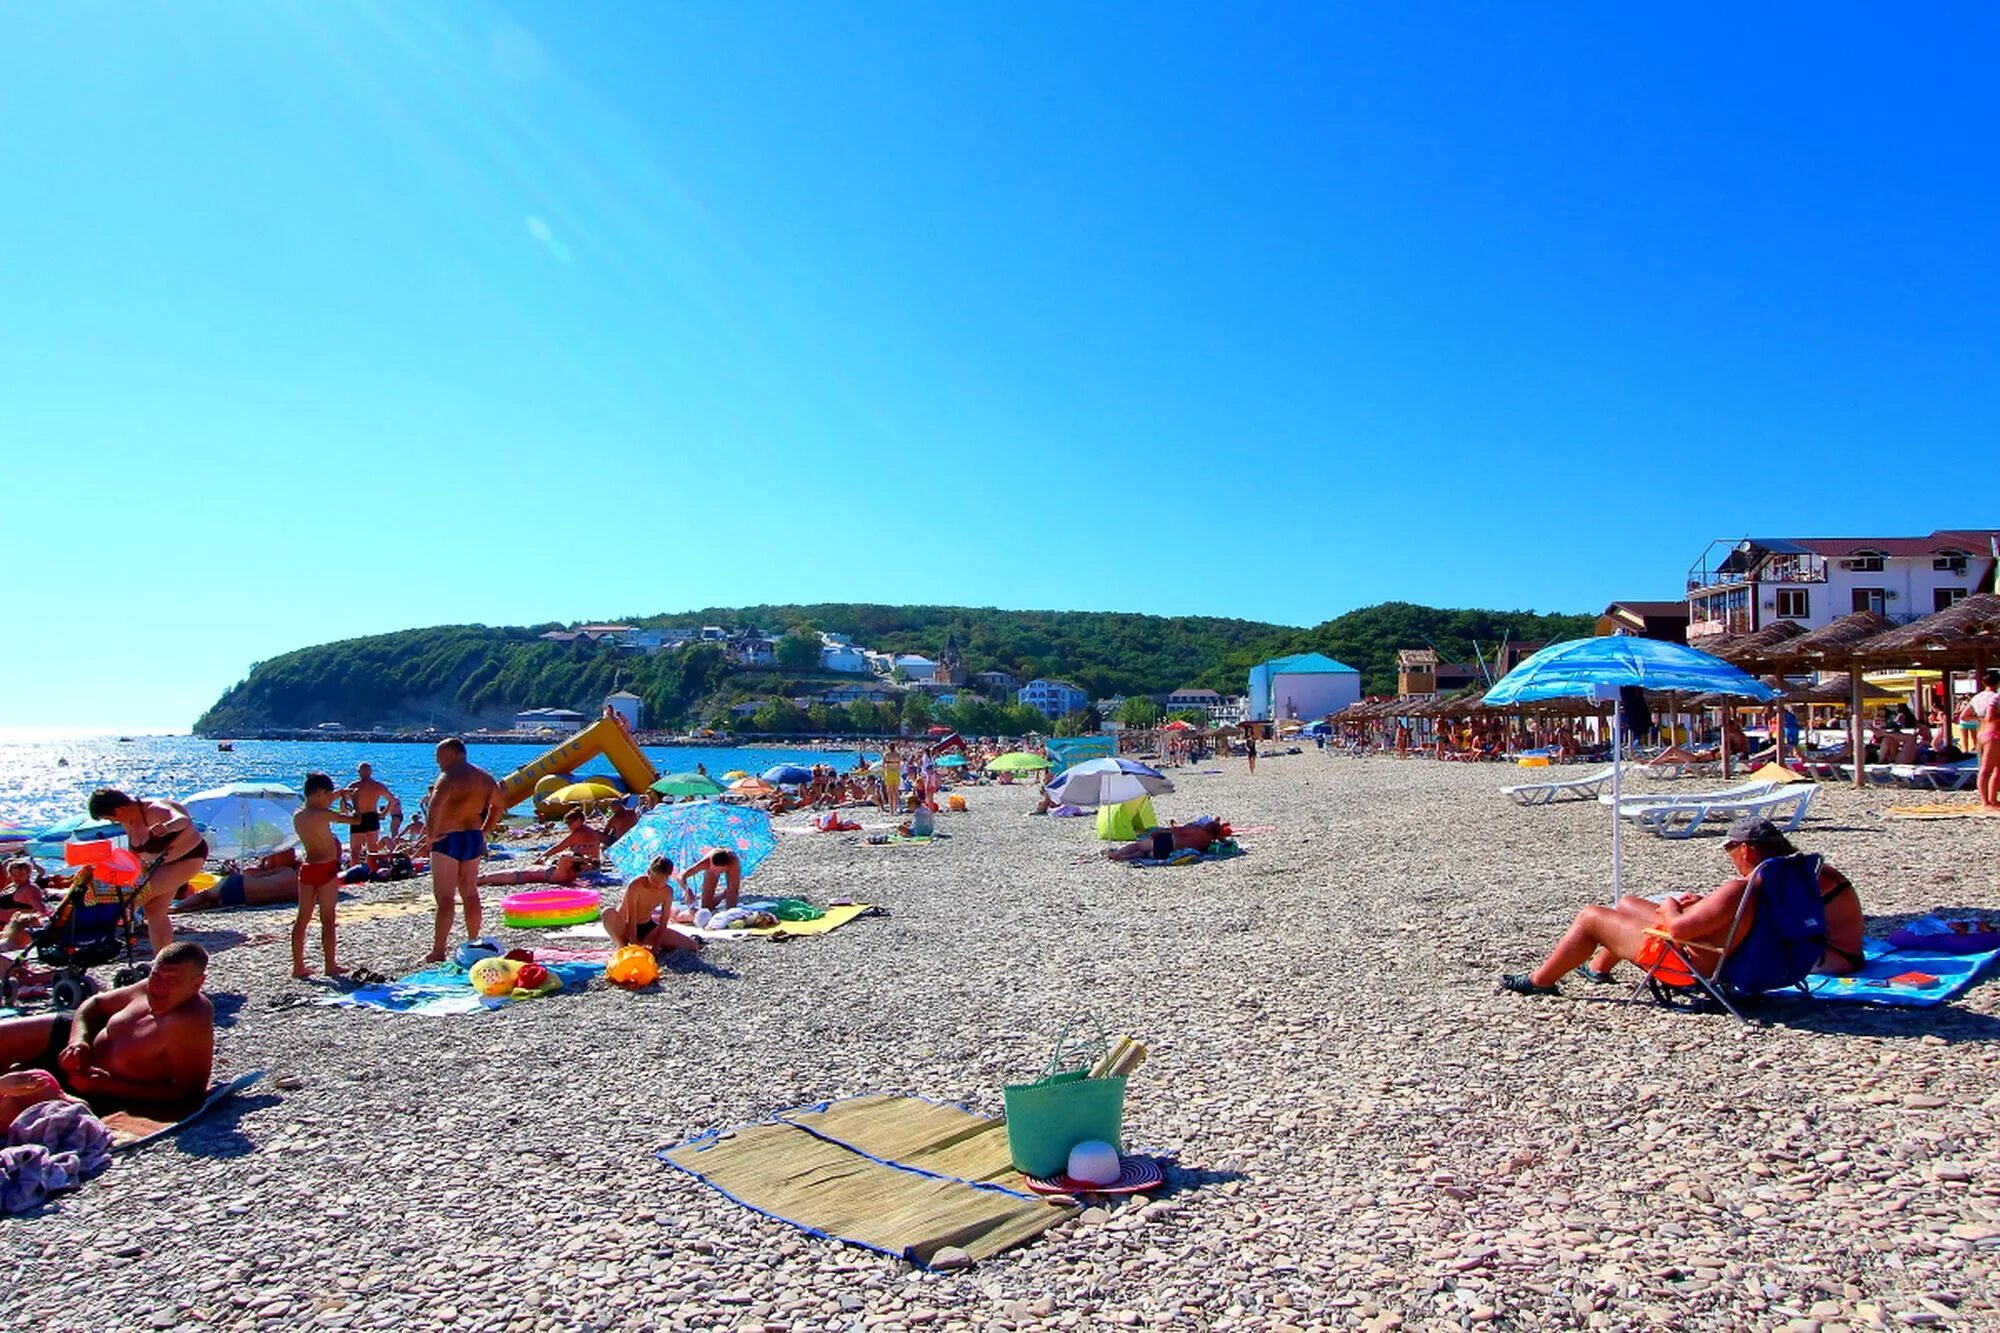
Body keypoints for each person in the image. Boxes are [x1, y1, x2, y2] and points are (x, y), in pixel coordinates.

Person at [1502, 817, 1864, 995]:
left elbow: (1677, 930)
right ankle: (1596, 970)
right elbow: (1736, 920)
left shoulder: (1740, 889)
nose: (1730, 857)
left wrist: (1672, 905)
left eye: (1730, 850)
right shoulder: (1785, 876)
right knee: (1626, 902)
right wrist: (1700, 905)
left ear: (1747, 850)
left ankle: (1540, 981)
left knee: (1591, 917)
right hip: (1759, 959)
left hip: (1693, 964)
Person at [0, 941, 214, 1109]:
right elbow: (94, 1003)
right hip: (75, 1043)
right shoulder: (146, 987)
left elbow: (189, 1092)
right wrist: (78, 1040)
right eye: (156, 977)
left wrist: (108, 1087)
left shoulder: (190, 1020)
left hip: (93, 1087)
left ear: (197, 983)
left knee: (8, 1107)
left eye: (172, 981)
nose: (158, 988)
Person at [87, 788, 206, 958]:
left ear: (119, 810)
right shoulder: (127, 821)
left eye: (110, 818)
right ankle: (163, 958)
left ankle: (102, 935)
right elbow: (134, 855)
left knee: (138, 896)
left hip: (188, 857)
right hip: (160, 865)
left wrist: (167, 827)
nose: (113, 822)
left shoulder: (156, 809)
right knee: (154, 910)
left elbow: (182, 820)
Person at [422, 738, 503, 964]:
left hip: (448, 838)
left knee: (445, 897)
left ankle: (438, 951)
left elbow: (435, 806)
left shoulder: (448, 777)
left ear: (455, 753)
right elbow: (499, 805)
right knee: (470, 892)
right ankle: (474, 942)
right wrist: (485, 830)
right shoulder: (484, 777)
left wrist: (431, 835)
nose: (437, 760)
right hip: (472, 837)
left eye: (440, 755)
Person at [291, 773, 360, 979]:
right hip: (326, 869)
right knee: (328, 919)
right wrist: (354, 799)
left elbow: (319, 804)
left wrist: (338, 793)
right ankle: (330, 965)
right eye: (329, 795)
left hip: (308, 868)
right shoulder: (324, 814)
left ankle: (298, 966)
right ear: (321, 794)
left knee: (302, 919)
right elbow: (355, 820)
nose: (331, 798)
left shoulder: (299, 816)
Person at [601, 856, 700, 954]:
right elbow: (631, 917)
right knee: (608, 912)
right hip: (625, 924)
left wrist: (656, 945)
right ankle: (622, 946)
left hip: (647, 925)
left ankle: (644, 946)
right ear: (649, 873)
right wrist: (634, 942)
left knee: (691, 946)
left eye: (662, 882)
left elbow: (663, 921)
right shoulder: (636, 885)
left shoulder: (667, 891)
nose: (657, 885)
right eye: (655, 880)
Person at [170, 861, 301, 913]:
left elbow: (252, 874)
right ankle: (186, 909)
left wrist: (262, 866)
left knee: (206, 894)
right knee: (213, 903)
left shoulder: (287, 871)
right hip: (245, 899)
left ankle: (176, 908)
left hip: (240, 884)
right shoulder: (302, 892)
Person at [340, 763, 401, 864]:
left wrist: (346, 813)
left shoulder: (354, 786)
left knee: (355, 851)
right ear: (371, 772)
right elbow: (392, 800)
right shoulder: (378, 786)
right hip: (372, 817)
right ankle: (372, 870)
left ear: (359, 773)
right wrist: (384, 813)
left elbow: (343, 802)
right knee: (372, 849)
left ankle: (354, 873)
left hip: (357, 817)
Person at [1106, 817, 1230, 862]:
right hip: (1166, 853)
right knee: (1146, 853)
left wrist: (1160, 831)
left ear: (1208, 827)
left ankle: (1116, 854)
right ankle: (1124, 858)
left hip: (1169, 841)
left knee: (1139, 845)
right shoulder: (1206, 843)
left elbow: (1178, 831)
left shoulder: (1198, 830)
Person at [1962, 669, 2000, 809]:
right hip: (1994, 734)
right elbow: (1990, 716)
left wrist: (1979, 718)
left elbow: (1964, 716)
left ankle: (1991, 801)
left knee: (1989, 769)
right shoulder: (1995, 697)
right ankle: (1988, 801)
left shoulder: (1976, 698)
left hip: (1982, 734)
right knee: (1990, 769)